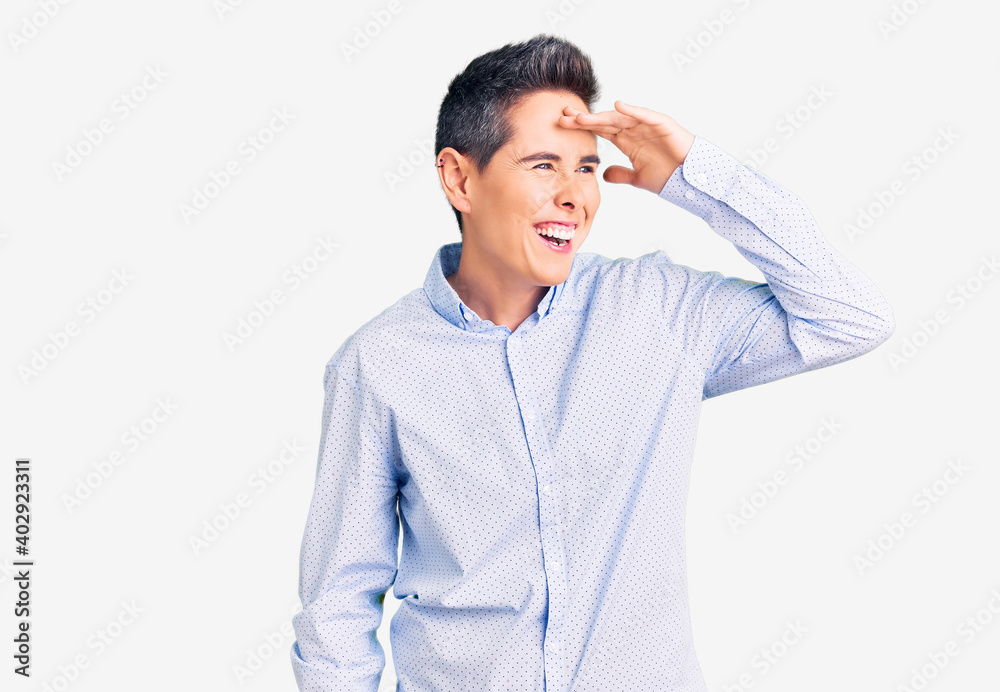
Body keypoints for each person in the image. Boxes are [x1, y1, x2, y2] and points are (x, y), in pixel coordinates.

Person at [290, 33, 895, 692]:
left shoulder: (659, 310)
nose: (575, 195)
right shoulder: (379, 363)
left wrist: (697, 178)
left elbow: (850, 317)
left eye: (585, 167)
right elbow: (337, 607)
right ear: (460, 179)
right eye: (543, 165)